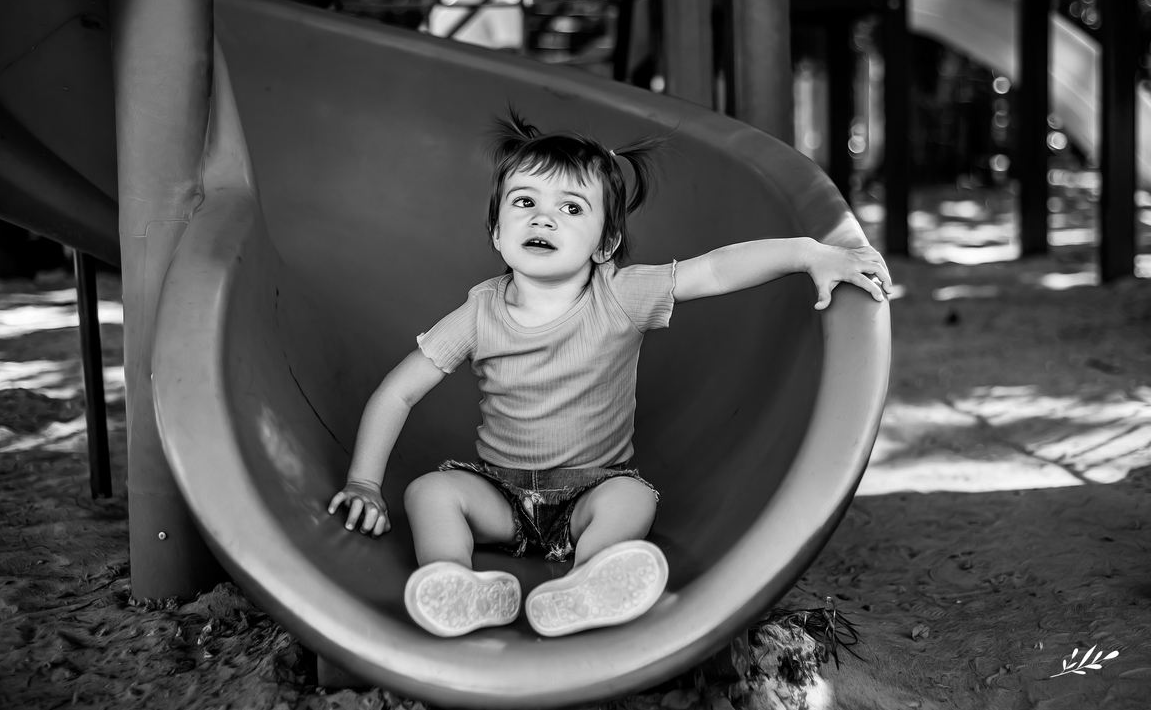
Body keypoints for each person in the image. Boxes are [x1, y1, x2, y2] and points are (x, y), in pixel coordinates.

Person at [328, 109, 891, 638]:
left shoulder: (621, 294)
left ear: (607, 244)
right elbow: (398, 393)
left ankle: (588, 583)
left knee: (633, 500)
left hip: (590, 490)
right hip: (498, 493)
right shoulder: (479, 313)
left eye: (572, 208)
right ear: (498, 233)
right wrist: (365, 483)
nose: (543, 217)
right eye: (524, 202)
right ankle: (453, 584)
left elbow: (714, 270)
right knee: (430, 491)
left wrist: (809, 253)